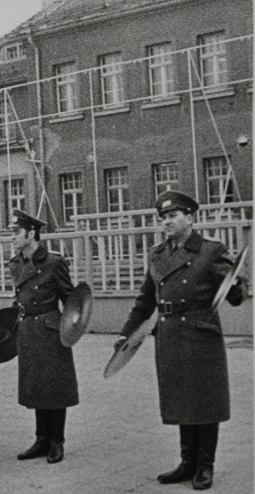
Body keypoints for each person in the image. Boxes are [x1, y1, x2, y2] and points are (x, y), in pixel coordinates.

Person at [116, 191, 247, 490]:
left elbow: (234, 294)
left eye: (173, 215)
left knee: (204, 401)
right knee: (182, 400)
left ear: (190, 218)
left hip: (200, 333)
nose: (167, 222)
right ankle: (187, 463)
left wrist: (238, 284)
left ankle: (205, 465)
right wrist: (126, 333)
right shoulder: (157, 254)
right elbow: (145, 300)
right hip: (171, 334)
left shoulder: (211, 250)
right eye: (163, 217)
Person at [9, 210, 77, 465]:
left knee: (55, 386)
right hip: (27, 329)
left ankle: (56, 441)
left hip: (50, 329)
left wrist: (70, 328)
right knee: (36, 385)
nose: (13, 238)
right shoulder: (16, 263)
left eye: (16, 233)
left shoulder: (54, 262)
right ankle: (41, 439)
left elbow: (70, 298)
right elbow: (19, 297)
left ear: (31, 234)